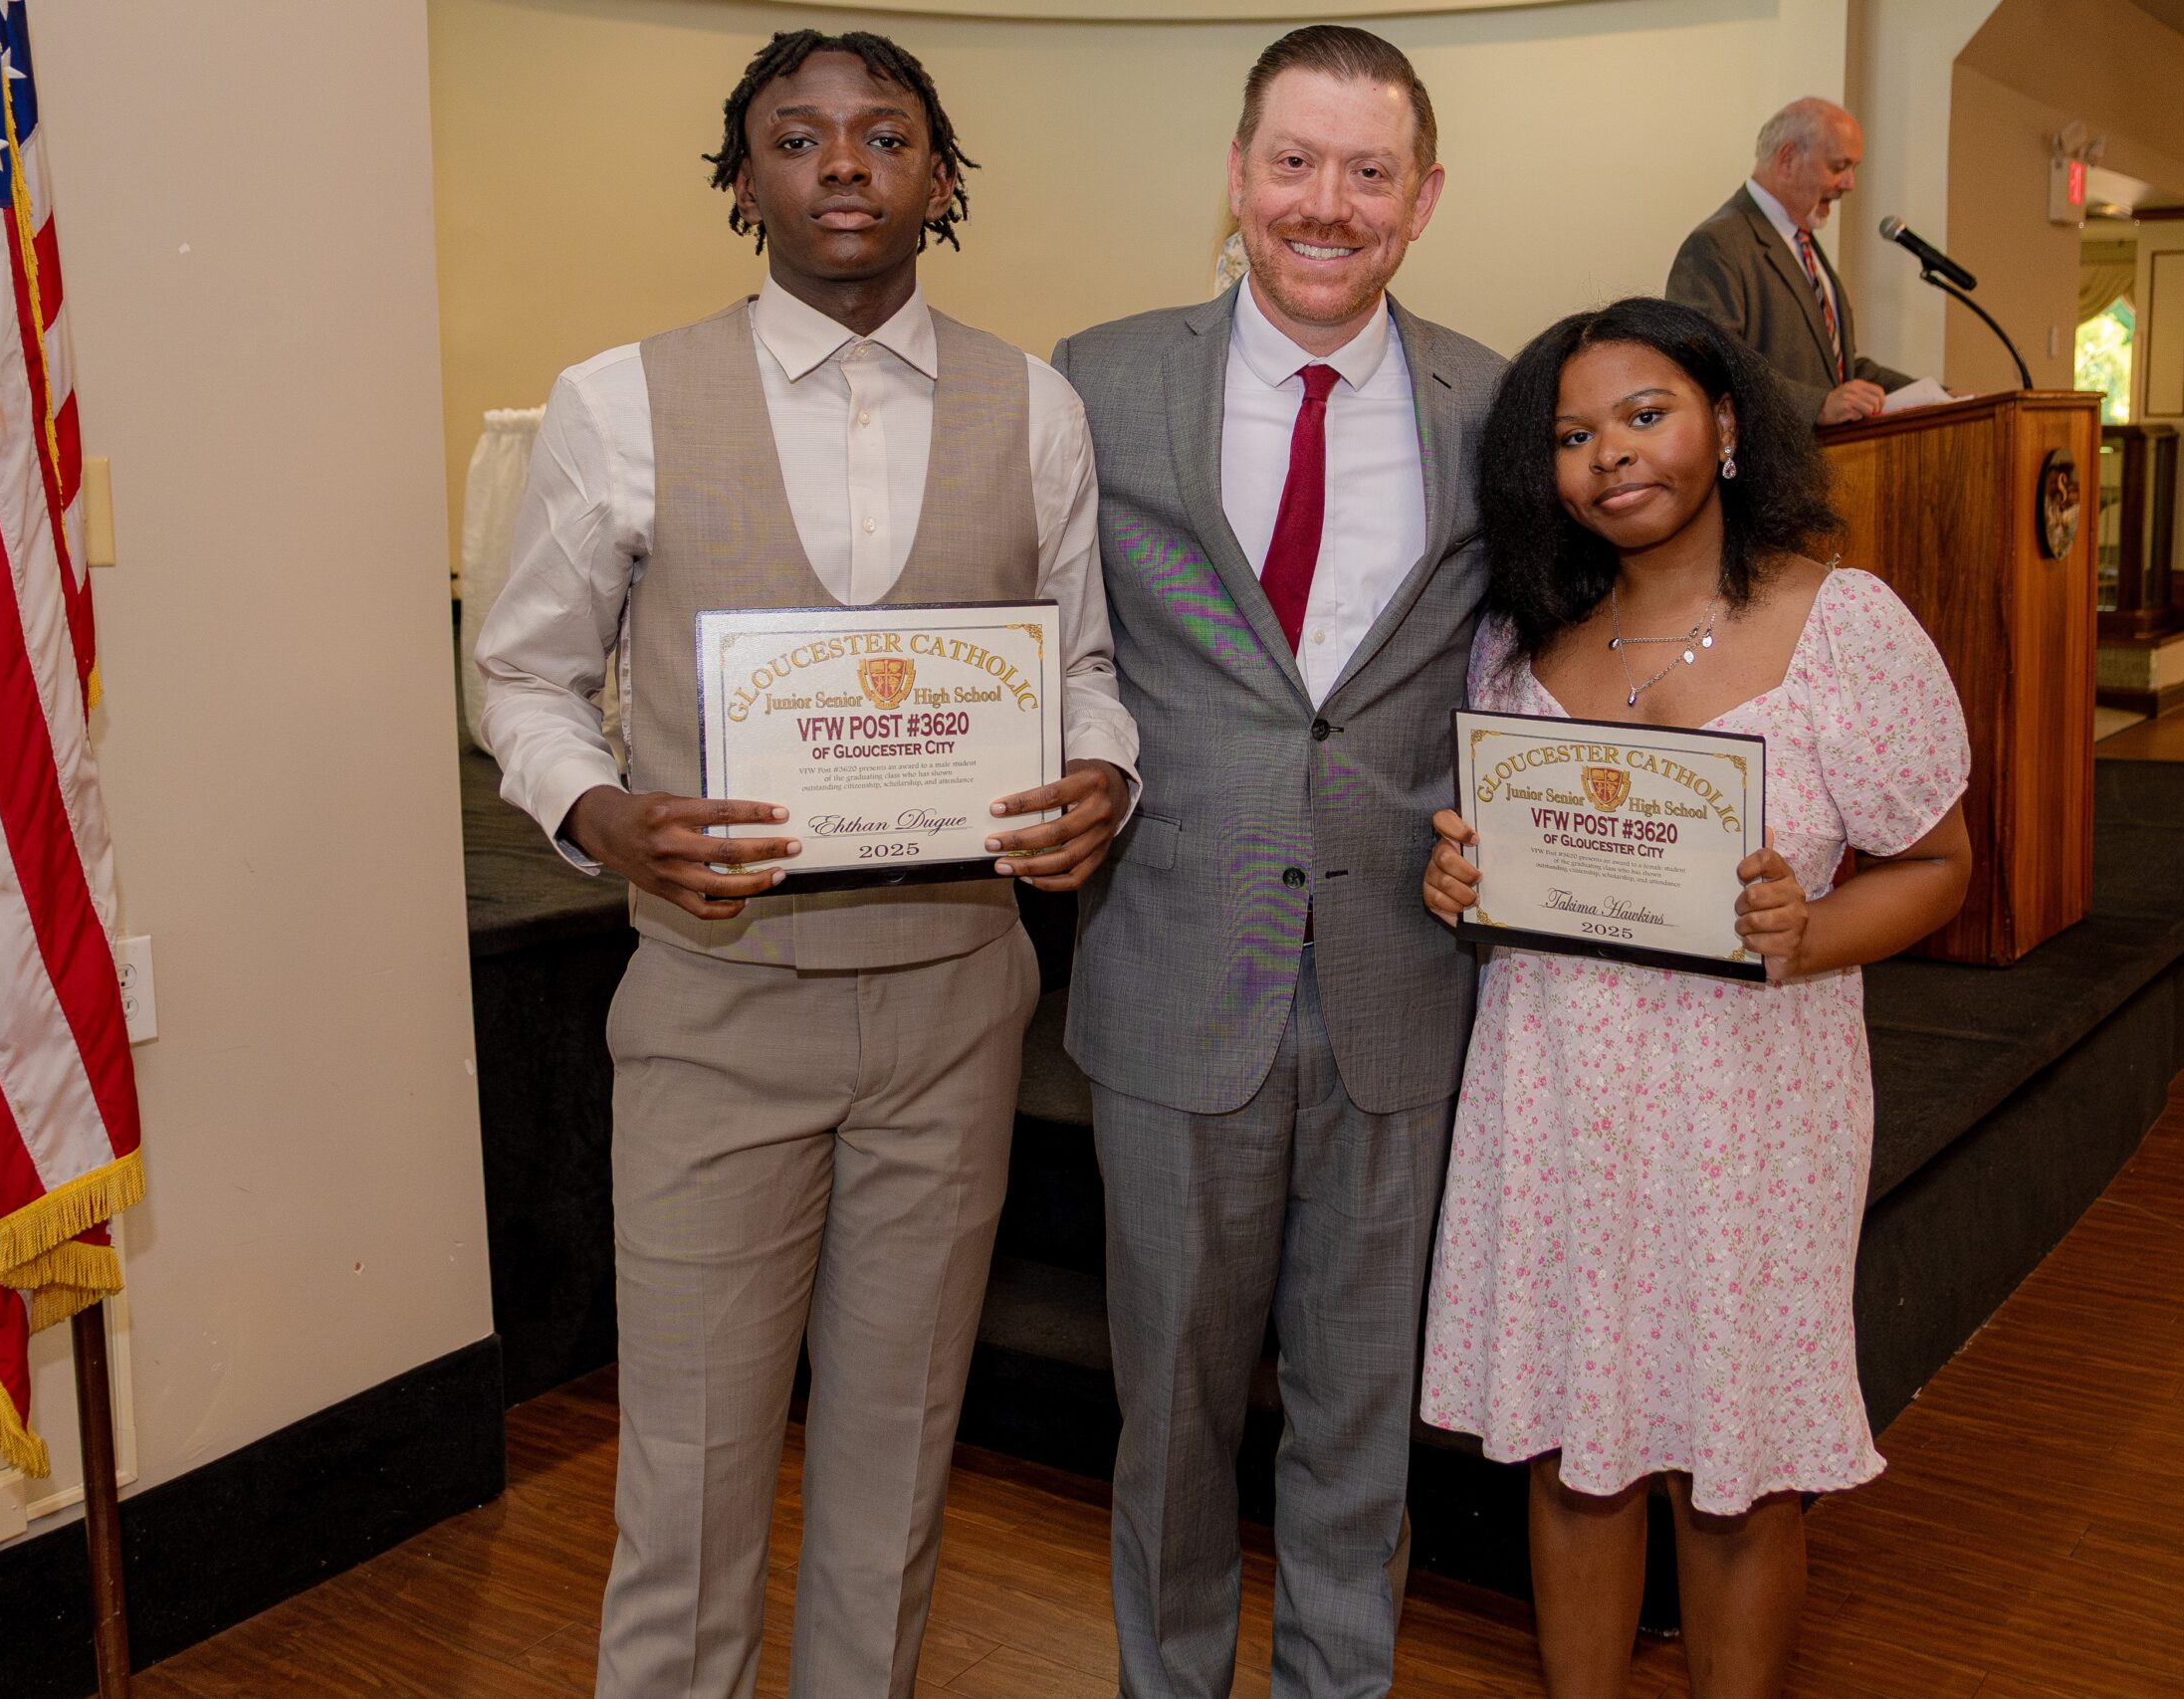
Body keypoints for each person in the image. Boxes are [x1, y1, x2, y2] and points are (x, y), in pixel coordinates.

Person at [473, 29, 1137, 1698]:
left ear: (939, 176)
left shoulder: (1035, 405)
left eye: (884, 133)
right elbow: (520, 673)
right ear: (744, 177)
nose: (843, 162)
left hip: (958, 1008)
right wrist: (601, 811)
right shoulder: (614, 403)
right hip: (715, 1010)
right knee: (688, 1483)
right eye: (797, 135)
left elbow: (1090, 669)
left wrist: (1102, 777)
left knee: (898, 1467)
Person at [1418, 296, 1973, 1699]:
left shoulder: (1844, 621)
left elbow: (1944, 863)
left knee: (1738, 1470)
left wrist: (1816, 923)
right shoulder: (1512, 642)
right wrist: (1461, 880)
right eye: (1572, 434)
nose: (1611, 453)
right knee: (1572, 1443)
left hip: (1751, 1103)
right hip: (1554, 1087)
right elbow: (1502, 852)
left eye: (1645, 413)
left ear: (1726, 424)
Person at [1049, 25, 1503, 1699]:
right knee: (1167, 1417)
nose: (1330, 204)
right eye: (1296, 164)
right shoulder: (1096, 382)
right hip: (1175, 985)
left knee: (1357, 1422)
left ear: (1424, 197)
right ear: (1237, 176)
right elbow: (1032, 640)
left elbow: (1529, 669)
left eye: (1370, 172)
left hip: (1402, 985)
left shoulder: (1492, 403)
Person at [1665, 98, 1919, 427]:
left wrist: (1937, 396)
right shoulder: (1716, 244)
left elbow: (1839, 371)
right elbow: (1707, 367)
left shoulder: (1803, 243)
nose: (1849, 184)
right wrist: (1817, 405)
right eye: (1838, 167)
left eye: (1853, 169)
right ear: (1787, 159)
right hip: (1764, 473)